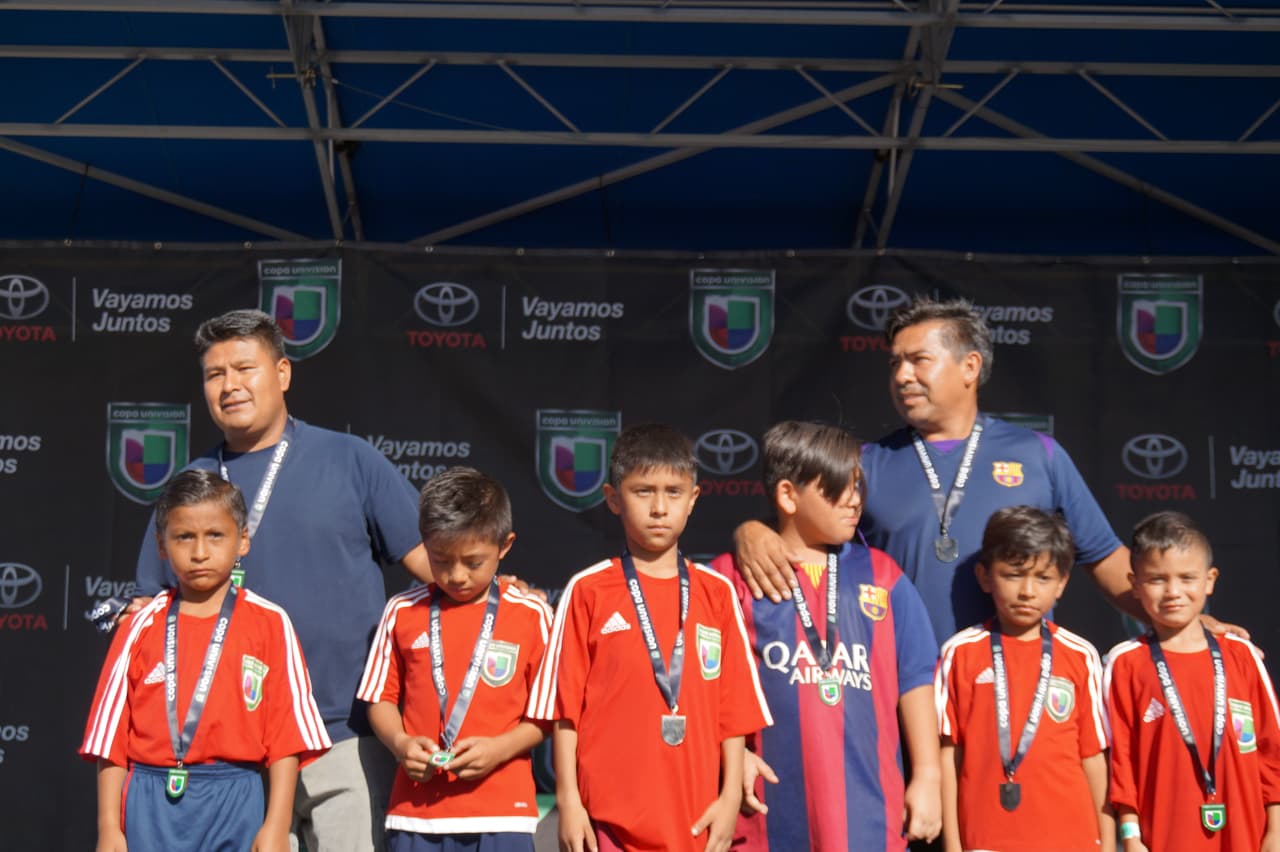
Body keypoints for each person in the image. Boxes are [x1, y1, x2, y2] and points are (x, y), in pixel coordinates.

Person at [733, 297, 1245, 644]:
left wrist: (1192, 624)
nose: (902, 375)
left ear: (970, 367)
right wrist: (750, 531)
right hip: (897, 688)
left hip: (1011, 687)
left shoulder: (1038, 455)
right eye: (894, 363)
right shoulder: (867, 461)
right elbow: (799, 534)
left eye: (918, 360)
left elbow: (1108, 560)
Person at [129, 309, 434, 852]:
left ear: (283, 373)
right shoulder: (191, 487)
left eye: (245, 368)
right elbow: (151, 613)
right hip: (233, 759)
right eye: (214, 374)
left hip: (346, 736)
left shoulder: (350, 459)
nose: (230, 385)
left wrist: (503, 592)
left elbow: (437, 565)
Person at [529, 423, 772, 852]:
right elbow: (565, 711)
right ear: (612, 499)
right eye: (643, 491)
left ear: (693, 499)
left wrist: (729, 797)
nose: (659, 507)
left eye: (673, 492)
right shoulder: (587, 590)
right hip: (606, 824)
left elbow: (733, 713)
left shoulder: (717, 593)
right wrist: (569, 801)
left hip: (697, 822)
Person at [711, 421, 941, 850]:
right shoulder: (730, 578)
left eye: (858, 486)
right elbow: (702, 687)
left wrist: (928, 774)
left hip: (869, 812)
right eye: (837, 488)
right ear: (787, 495)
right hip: (763, 815)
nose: (854, 500)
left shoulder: (884, 576)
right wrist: (732, 753)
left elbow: (916, 677)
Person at [82, 470, 330, 852]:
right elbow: (110, 739)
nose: (199, 552)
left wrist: (277, 827)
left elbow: (287, 737)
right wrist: (109, 828)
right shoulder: (138, 626)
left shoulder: (270, 623)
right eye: (184, 537)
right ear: (162, 545)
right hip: (148, 799)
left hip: (235, 795)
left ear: (242, 540)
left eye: (215, 535)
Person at [357, 467, 553, 852]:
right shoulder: (401, 610)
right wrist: (400, 743)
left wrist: (501, 749)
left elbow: (549, 711)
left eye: (473, 561)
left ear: (505, 545)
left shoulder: (532, 614)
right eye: (441, 560)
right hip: (415, 813)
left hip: (503, 814)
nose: (457, 575)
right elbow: (379, 699)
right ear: (424, 545)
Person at [935, 506, 1112, 852]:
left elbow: (1093, 756)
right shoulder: (960, 653)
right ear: (985, 577)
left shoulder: (1081, 654)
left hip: (1071, 839)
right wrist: (953, 845)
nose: (1028, 591)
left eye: (1043, 578)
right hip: (985, 838)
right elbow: (948, 756)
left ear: (1062, 583)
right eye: (1013, 575)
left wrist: (1107, 844)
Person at [1105, 511, 1280, 852]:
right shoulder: (1124, 663)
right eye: (1157, 579)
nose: (1173, 591)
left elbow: (1270, 750)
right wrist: (1131, 837)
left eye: (1187, 578)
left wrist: (1275, 832)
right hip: (1164, 838)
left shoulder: (1242, 656)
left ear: (1209, 580)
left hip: (1246, 837)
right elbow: (1121, 764)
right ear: (1135, 584)